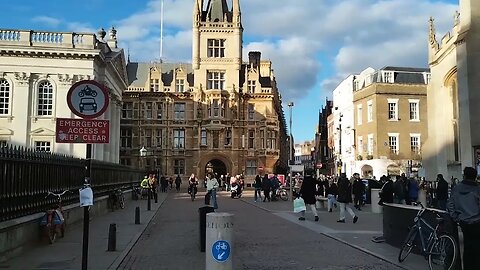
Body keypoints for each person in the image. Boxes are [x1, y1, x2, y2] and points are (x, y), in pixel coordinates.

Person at [447, 167, 480, 270]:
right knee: (477, 248)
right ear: (475, 177)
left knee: (465, 248)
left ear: (464, 175)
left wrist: (456, 218)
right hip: (477, 223)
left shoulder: (456, 188)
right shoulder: (478, 189)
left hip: (463, 223)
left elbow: (450, 204)